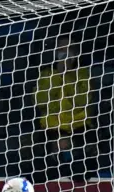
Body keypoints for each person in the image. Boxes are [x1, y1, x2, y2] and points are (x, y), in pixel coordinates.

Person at [33, 34, 96, 182]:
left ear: (74, 53)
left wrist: (67, 76)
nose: (64, 53)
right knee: (41, 168)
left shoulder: (83, 74)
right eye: (61, 49)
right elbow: (40, 101)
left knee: (80, 170)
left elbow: (82, 100)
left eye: (68, 49)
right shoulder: (46, 74)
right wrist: (57, 76)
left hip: (78, 128)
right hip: (51, 130)